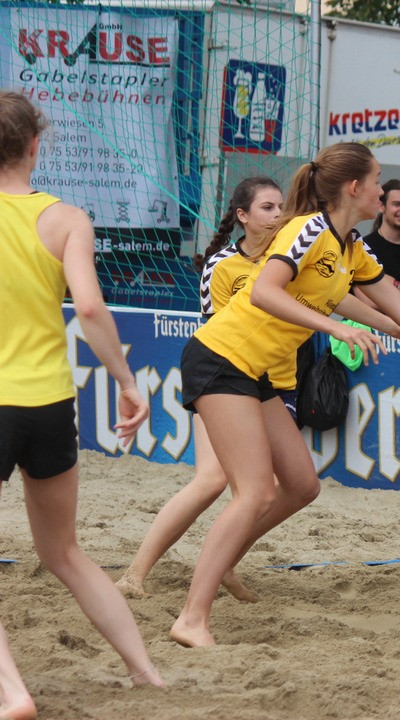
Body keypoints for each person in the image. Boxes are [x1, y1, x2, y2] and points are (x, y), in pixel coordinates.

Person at [170, 141, 400, 648]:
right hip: (220, 358)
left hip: (256, 372)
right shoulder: (305, 229)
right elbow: (264, 292)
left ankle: (221, 562)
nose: (384, 191)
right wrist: (337, 329)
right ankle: (192, 617)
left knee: (301, 485)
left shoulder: (350, 246)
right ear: (354, 188)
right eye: (379, 180)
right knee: (254, 491)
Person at [0, 91, 165, 718]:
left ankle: (13, 693)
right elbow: (90, 309)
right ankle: (144, 670)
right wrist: (126, 380)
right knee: (64, 552)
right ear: (36, 147)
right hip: (46, 402)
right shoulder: (66, 218)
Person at [116, 177, 286, 601]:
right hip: (224, 377)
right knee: (211, 480)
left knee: (269, 490)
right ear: (242, 216)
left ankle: (223, 566)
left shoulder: (288, 259)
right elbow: (220, 336)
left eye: (281, 207)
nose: (278, 215)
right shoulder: (224, 265)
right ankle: (135, 573)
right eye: (267, 207)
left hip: (273, 384)